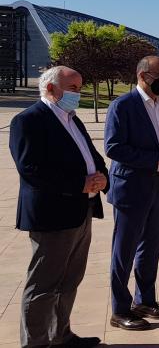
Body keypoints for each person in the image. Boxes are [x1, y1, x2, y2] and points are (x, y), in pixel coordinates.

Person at [9, 66, 106, 348]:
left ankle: (60, 335)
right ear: (51, 89)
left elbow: (93, 157)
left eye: (79, 87)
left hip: (81, 211)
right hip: (52, 215)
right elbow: (31, 170)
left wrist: (101, 176)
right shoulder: (28, 121)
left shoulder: (73, 120)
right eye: (73, 88)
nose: (78, 93)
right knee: (43, 285)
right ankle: (35, 343)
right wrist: (79, 184)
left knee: (69, 280)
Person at [105, 55, 159, 330]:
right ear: (142, 76)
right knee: (124, 250)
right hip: (131, 187)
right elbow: (114, 148)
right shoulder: (123, 106)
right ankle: (120, 310)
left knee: (151, 247)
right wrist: (156, 158)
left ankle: (146, 300)